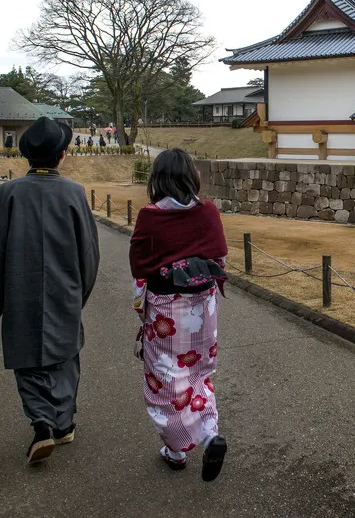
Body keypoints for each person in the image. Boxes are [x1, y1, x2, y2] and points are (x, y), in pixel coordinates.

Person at [0, 116, 100, 464]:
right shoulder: (74, 192)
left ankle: (41, 423)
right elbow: (89, 252)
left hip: (20, 288)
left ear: (26, 156)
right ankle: (63, 425)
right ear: (62, 155)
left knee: (27, 357)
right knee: (65, 356)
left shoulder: (7, 193)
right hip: (65, 288)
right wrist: (80, 293)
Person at [129, 148, 228, 481]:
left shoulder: (150, 215)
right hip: (203, 305)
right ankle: (210, 434)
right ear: (191, 176)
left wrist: (140, 306)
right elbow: (220, 257)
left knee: (166, 382)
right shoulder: (208, 210)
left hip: (167, 311)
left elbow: (139, 268)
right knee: (200, 371)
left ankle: (176, 452)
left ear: (157, 179)